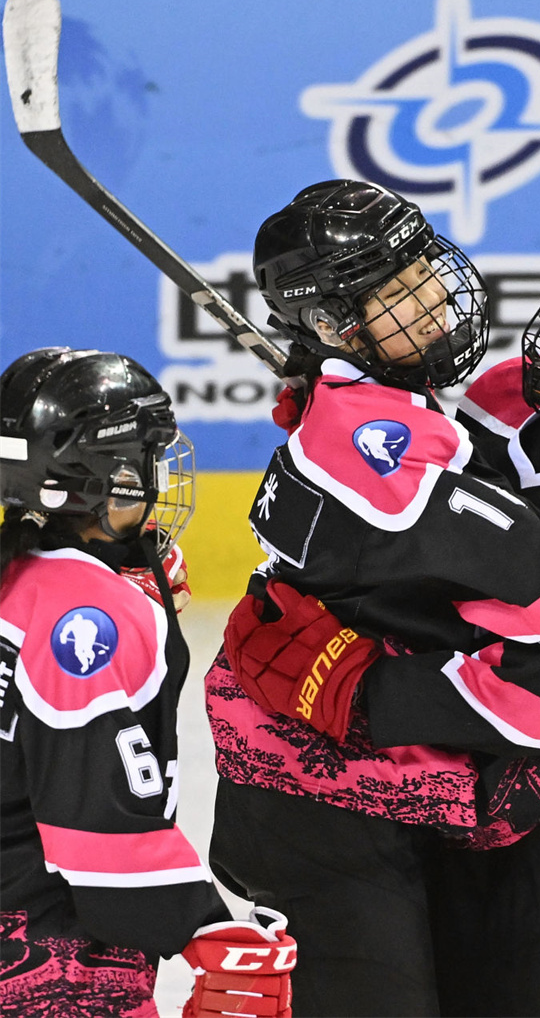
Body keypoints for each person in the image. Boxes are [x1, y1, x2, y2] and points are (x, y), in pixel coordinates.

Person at [203, 179, 540, 1016]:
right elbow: (407, 485)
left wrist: (357, 692)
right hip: (441, 792)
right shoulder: (496, 399)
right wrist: (346, 389)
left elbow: (533, 690)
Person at [0, 347, 297, 1018]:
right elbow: (91, 818)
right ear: (111, 478)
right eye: (147, 458)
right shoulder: (87, 618)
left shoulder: (22, 577)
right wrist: (204, 929)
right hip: (46, 956)